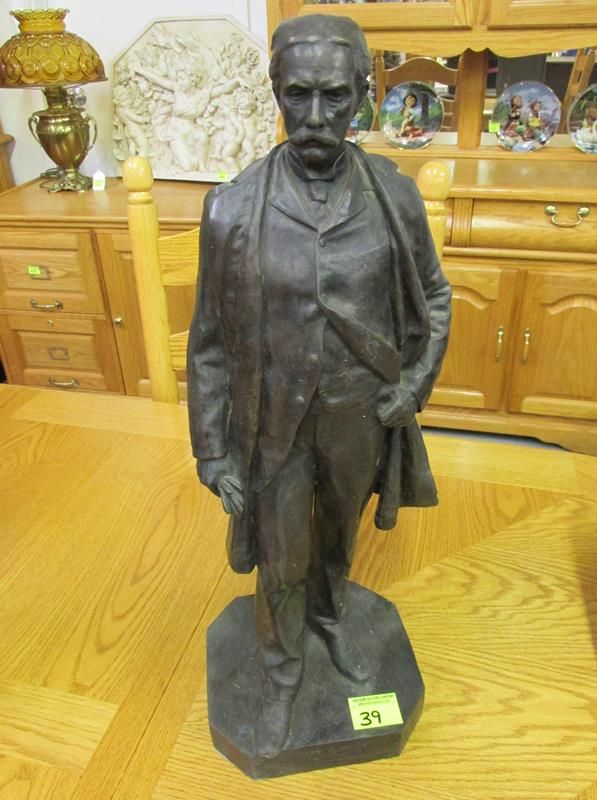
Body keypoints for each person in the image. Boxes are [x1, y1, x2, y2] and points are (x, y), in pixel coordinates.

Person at [187, 14, 451, 759]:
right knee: (281, 556)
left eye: (334, 97)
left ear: (361, 96)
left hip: (360, 415)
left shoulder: (394, 197)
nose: (313, 116)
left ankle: (331, 618)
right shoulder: (232, 208)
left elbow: (434, 297)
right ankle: (280, 674)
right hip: (271, 423)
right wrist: (212, 451)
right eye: (296, 94)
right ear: (276, 92)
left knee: (337, 537)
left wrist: (414, 385)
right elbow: (208, 341)